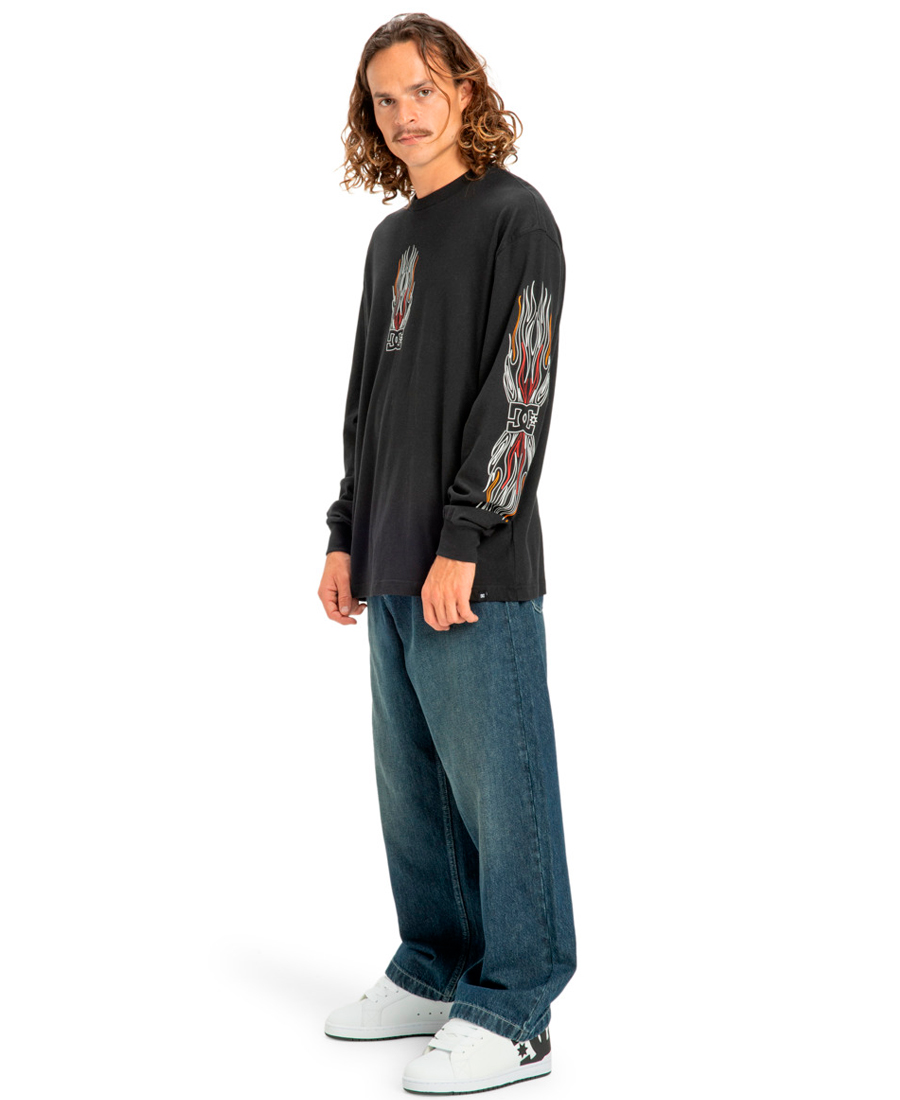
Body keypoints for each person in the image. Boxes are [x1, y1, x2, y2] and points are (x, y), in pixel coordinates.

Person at [318, 13, 576, 1094]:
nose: (404, 114)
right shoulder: (391, 239)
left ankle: (515, 1008)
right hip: (387, 557)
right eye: (385, 99)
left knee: (502, 795)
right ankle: (434, 967)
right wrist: (344, 529)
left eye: (422, 89)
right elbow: (368, 399)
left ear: (465, 90)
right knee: (414, 792)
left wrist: (468, 536)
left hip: (472, 567)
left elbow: (521, 390)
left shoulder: (517, 217)